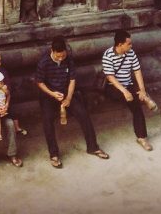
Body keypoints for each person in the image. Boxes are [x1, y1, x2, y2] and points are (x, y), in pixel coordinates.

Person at [35, 36, 109, 168]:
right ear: (52, 51)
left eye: (63, 55)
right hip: (49, 94)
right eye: (58, 56)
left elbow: (72, 80)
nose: (61, 58)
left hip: (65, 92)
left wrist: (68, 98)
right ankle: (54, 154)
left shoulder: (68, 59)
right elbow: (39, 83)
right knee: (47, 120)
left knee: (83, 114)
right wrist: (52, 93)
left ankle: (93, 147)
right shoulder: (44, 62)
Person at [102, 29, 157, 151]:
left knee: (136, 102)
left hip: (128, 83)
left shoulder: (131, 53)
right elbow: (110, 77)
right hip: (113, 87)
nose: (131, 46)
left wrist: (142, 89)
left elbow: (137, 70)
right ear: (120, 44)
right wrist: (124, 91)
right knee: (134, 102)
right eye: (129, 44)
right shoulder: (108, 55)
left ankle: (142, 137)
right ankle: (146, 99)